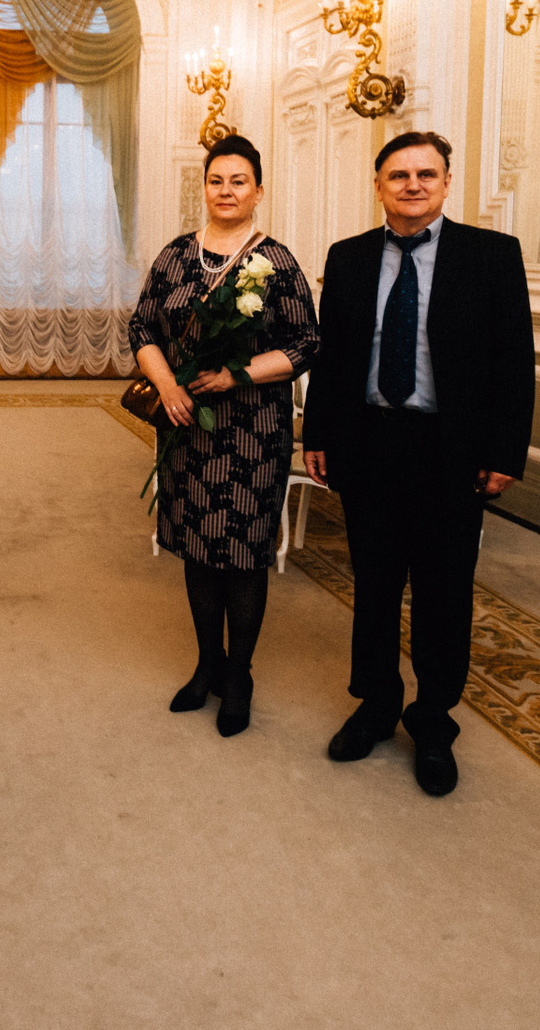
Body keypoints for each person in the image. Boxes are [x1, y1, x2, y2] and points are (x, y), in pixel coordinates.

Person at [302, 131, 534, 796]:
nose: (412, 185)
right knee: (373, 585)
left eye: (426, 174)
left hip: (450, 450)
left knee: (443, 590)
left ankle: (433, 721)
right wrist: (319, 433)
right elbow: (332, 358)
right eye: (399, 175)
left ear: (446, 183)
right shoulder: (348, 257)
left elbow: (514, 359)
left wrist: (504, 451)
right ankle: (376, 705)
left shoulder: (491, 255)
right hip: (369, 443)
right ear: (378, 185)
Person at [130, 135, 320, 737]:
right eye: (217, 180)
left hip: (253, 431)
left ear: (258, 191)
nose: (227, 191)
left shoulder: (277, 262)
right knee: (196, 547)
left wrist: (236, 374)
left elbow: (306, 343)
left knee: (241, 554)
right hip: (187, 424)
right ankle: (207, 662)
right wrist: (168, 387)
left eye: (239, 181)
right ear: (205, 187)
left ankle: (240, 674)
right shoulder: (175, 256)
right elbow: (141, 327)